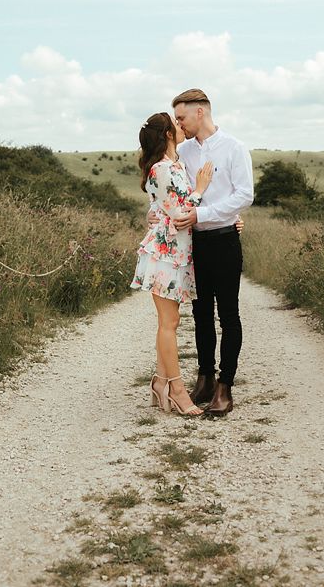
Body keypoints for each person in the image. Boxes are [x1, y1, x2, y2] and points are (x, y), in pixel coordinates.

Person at [166, 88, 254, 417]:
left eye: (182, 117)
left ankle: (225, 386)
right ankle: (204, 378)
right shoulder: (184, 152)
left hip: (225, 241)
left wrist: (204, 214)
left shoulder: (234, 148)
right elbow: (175, 191)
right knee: (200, 315)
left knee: (228, 315)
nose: (179, 124)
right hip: (195, 244)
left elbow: (245, 195)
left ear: (200, 112)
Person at [133, 112, 214, 417]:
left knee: (171, 322)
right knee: (169, 323)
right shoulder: (161, 169)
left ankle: (159, 381)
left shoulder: (175, 165)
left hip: (177, 253)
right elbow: (180, 213)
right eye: (177, 125)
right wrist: (200, 188)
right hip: (164, 254)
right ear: (168, 134)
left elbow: (159, 205)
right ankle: (177, 390)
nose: (182, 128)